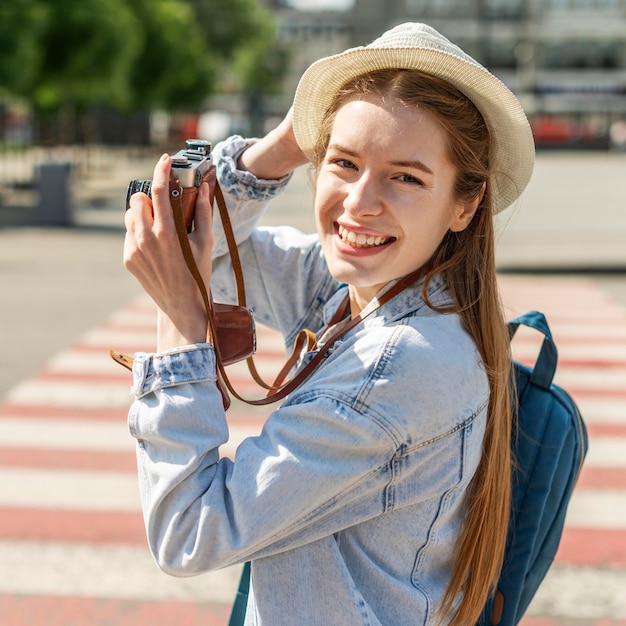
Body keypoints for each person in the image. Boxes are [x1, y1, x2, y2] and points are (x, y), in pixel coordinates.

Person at [122, 22, 534, 626]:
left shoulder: (400, 366)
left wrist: (181, 325)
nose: (359, 203)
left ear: (464, 205)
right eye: (343, 162)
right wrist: (279, 147)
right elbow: (195, 248)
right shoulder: (365, 289)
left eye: (406, 176)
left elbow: (190, 532)